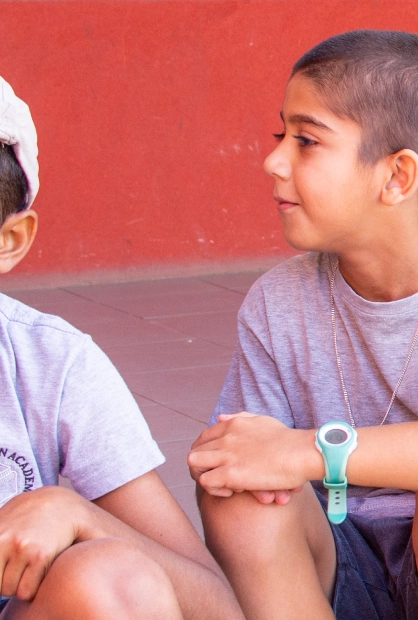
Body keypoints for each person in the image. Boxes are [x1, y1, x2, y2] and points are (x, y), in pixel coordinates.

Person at [187, 31, 418, 620]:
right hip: (332, 562)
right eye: (280, 135)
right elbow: (248, 454)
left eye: (307, 140)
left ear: (396, 178)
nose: (274, 160)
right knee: (237, 497)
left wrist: (311, 451)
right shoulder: (277, 302)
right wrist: (247, 457)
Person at [0, 75, 243, 620]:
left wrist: (77, 515)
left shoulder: (52, 366)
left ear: (9, 241)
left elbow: (214, 610)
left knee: (114, 580)